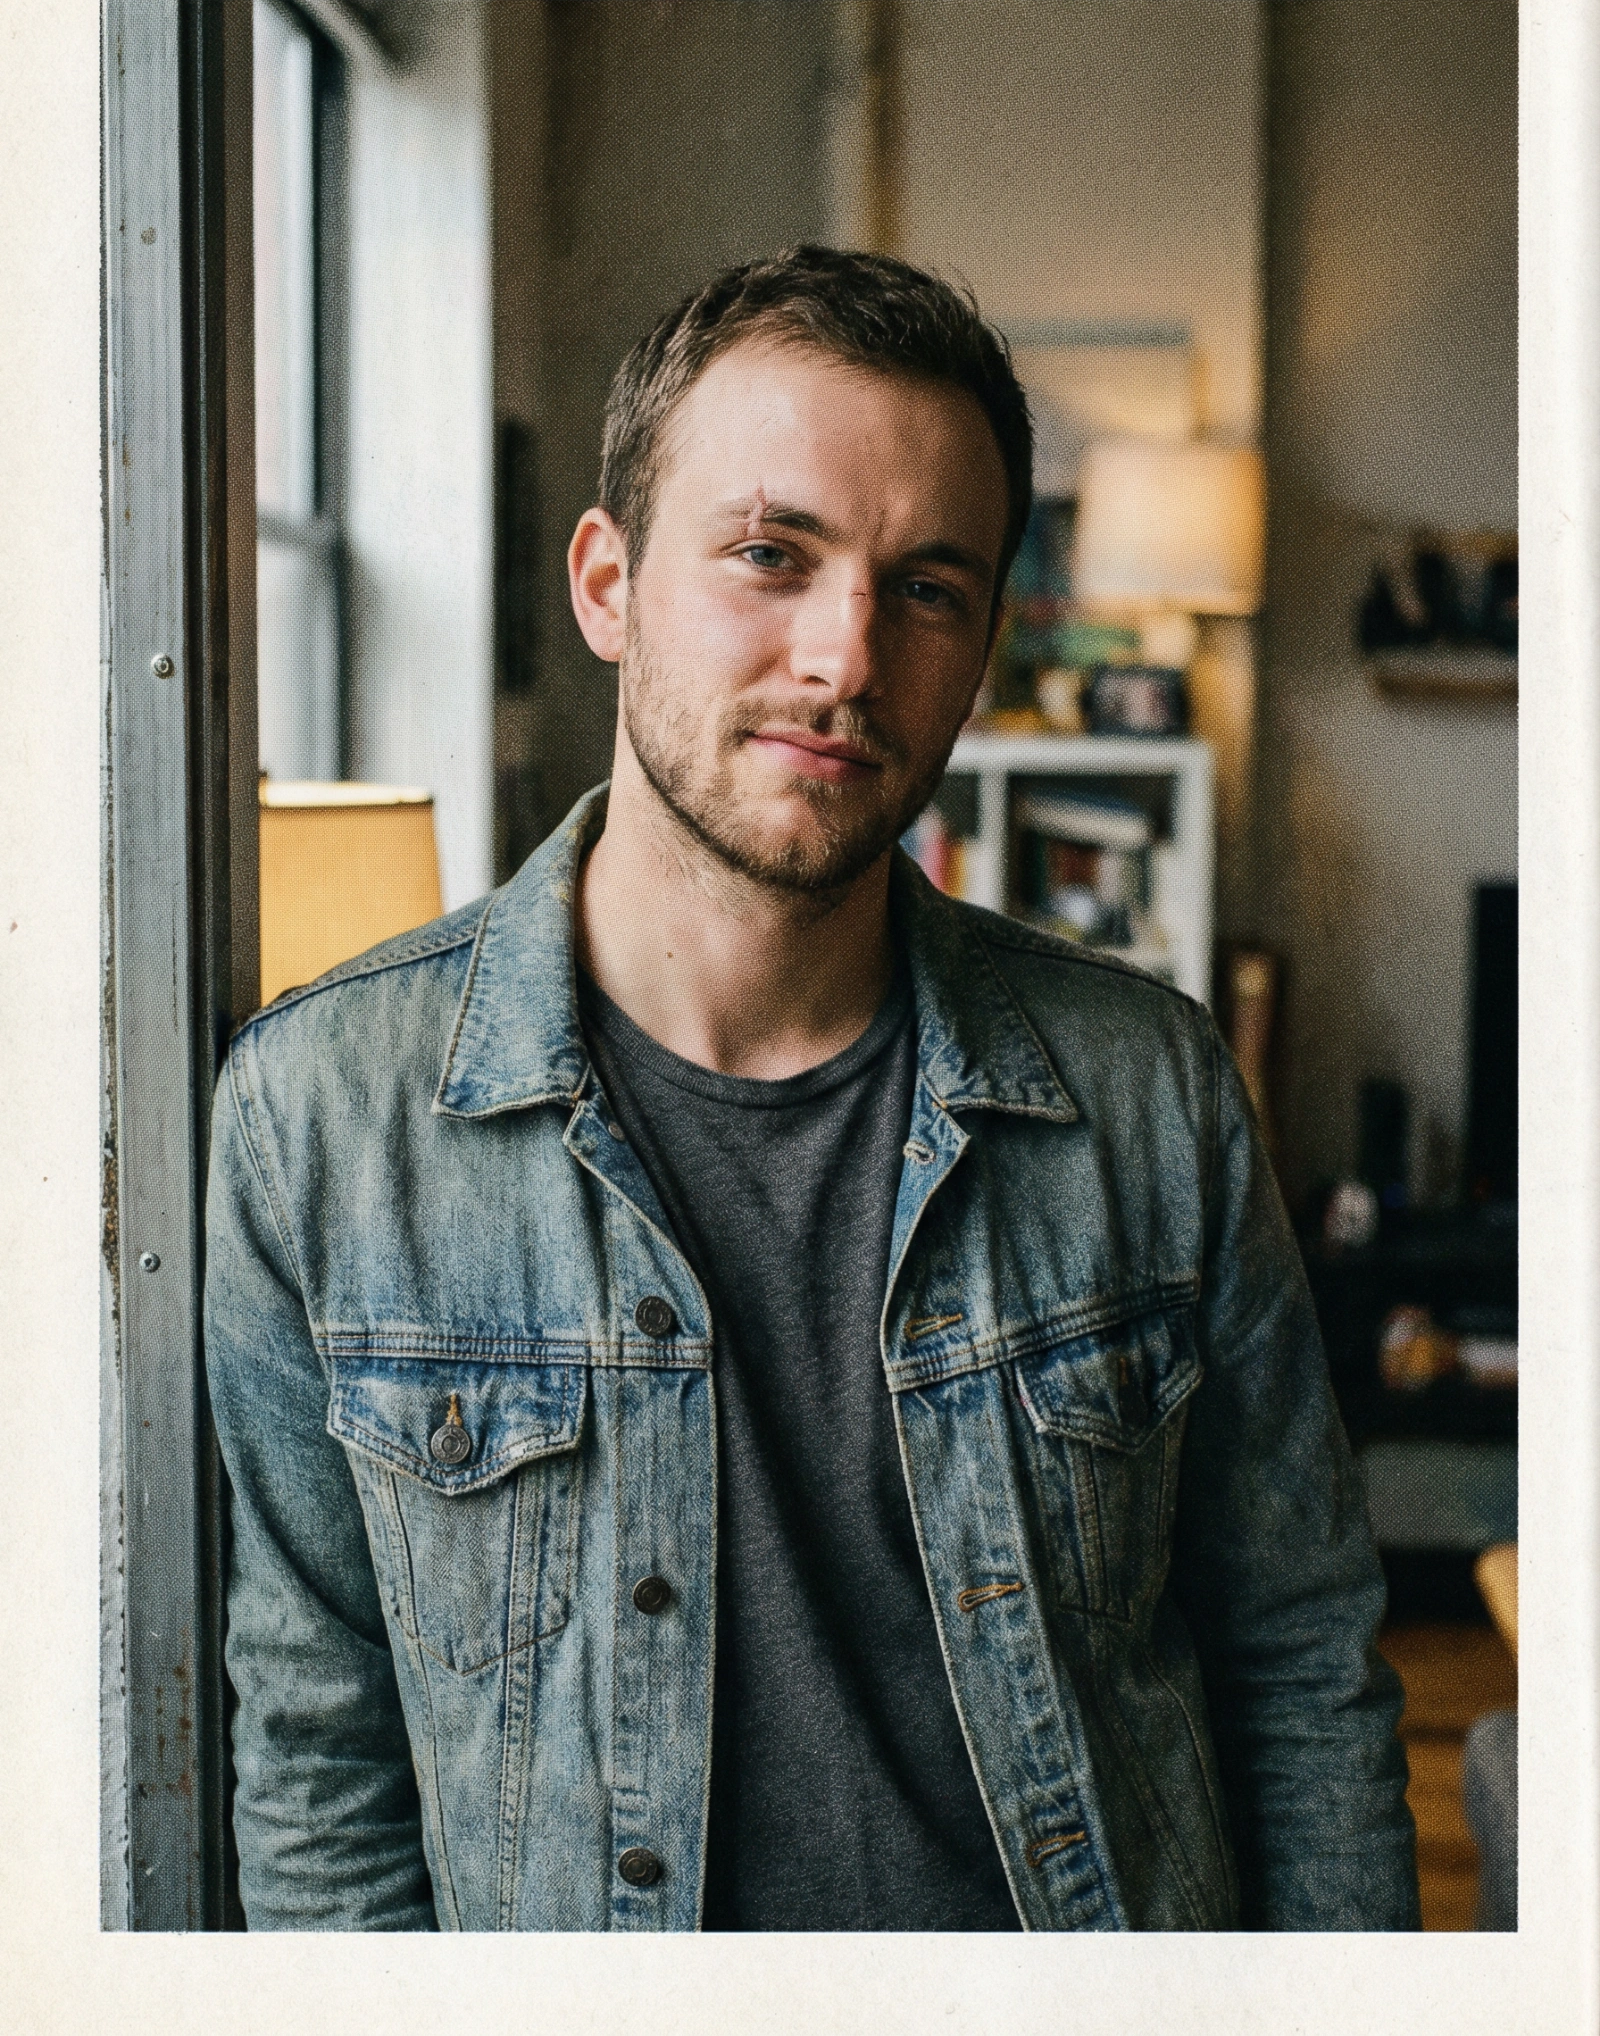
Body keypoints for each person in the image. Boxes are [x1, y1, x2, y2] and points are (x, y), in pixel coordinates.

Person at [204, 244, 1419, 1933]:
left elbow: (1302, 1675)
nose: (847, 656)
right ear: (607, 581)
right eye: (772, 554)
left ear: (985, 639)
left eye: (928, 586)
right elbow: (320, 1778)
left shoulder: (1149, 1091)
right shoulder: (318, 1122)